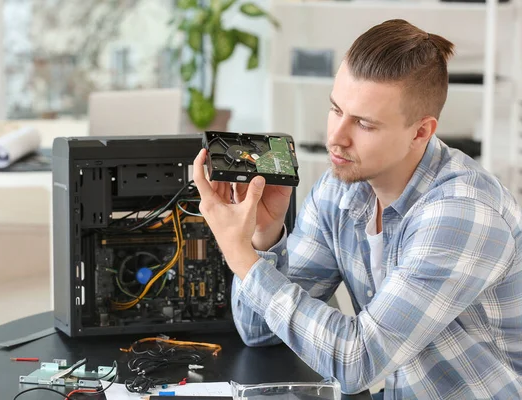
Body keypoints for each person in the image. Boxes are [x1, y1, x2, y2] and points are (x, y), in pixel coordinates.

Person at [192, 19, 522, 400]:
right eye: (336, 109)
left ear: (421, 132)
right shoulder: (341, 189)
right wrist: (263, 238)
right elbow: (259, 331)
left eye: (364, 123)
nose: (336, 137)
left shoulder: (463, 212)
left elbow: (356, 362)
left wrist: (241, 257)